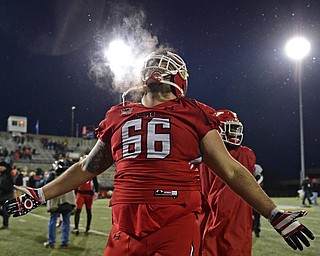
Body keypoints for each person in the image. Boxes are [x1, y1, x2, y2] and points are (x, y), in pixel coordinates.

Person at [5, 50, 314, 255]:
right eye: (154, 62)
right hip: (124, 225)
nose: (159, 65)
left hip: (174, 221)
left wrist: (273, 213)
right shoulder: (117, 114)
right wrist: (41, 194)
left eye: (169, 63)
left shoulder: (194, 112)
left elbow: (231, 170)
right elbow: (88, 167)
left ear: (181, 81)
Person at [198, 110, 256, 256]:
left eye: (236, 129)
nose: (235, 134)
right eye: (232, 129)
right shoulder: (243, 154)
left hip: (207, 222)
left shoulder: (200, 155)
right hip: (232, 226)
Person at [43, 159, 75, 248]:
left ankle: (51, 241)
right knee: (66, 221)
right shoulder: (70, 175)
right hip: (68, 200)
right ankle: (65, 242)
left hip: (56, 201)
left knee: (53, 220)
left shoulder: (53, 175)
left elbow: (46, 184)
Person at [0, 161, 14, 229]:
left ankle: (5, 224)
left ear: (4, 167)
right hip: (2, 194)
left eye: (0, 166)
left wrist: (2, 187)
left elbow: (10, 185)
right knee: (5, 211)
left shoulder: (8, 175)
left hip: (7, 195)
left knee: (5, 209)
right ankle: (6, 215)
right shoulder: (2, 174)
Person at [252, 163, 264, 238]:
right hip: (252, 199)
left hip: (256, 199)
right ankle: (255, 228)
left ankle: (256, 229)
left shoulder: (259, 178)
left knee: (256, 216)